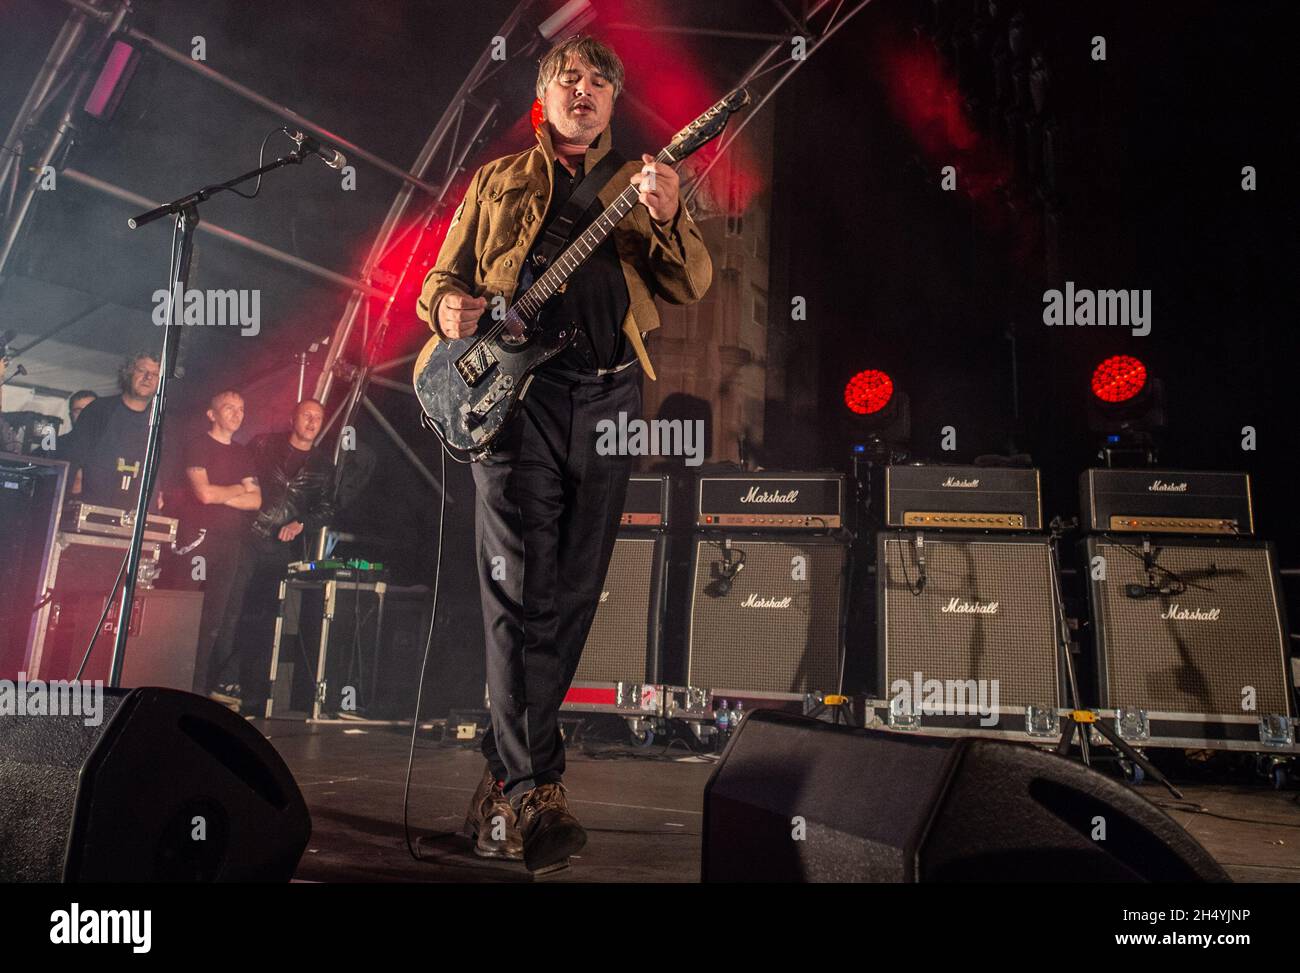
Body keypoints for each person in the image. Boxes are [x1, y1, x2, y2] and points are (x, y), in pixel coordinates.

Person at [416, 35, 712, 872]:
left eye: (599, 81)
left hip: (612, 398)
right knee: (518, 590)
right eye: (567, 77)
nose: (583, 88)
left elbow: (690, 284)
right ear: (542, 97)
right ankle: (538, 789)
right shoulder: (497, 179)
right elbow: (436, 280)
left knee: (573, 594)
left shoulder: (639, 183)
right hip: (518, 402)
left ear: (615, 104)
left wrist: (668, 213)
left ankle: (501, 778)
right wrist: (448, 314)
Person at [238, 398, 336, 713]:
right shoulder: (264, 444)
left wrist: (301, 523)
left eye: (318, 417)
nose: (312, 422)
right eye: (307, 415)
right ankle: (210, 684)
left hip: (279, 547)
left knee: (265, 618)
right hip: (246, 536)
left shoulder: (322, 464)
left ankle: (251, 699)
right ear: (292, 418)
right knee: (231, 613)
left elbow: (327, 507)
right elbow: (241, 476)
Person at [181, 389, 260, 707]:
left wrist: (222, 492)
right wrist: (235, 489)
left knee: (217, 619)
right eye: (229, 407)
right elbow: (203, 495)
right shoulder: (198, 445)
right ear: (212, 414)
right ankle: (176, 681)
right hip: (198, 540)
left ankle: (200, 687)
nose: (237, 414)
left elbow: (255, 500)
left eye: (241, 408)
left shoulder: (243, 453)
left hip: (232, 544)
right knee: (188, 613)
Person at [62, 353, 161, 509]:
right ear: (128, 374)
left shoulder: (160, 421)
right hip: (92, 514)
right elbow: (72, 462)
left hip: (136, 519)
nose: (148, 377)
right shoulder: (99, 410)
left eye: (155, 374)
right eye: (142, 370)